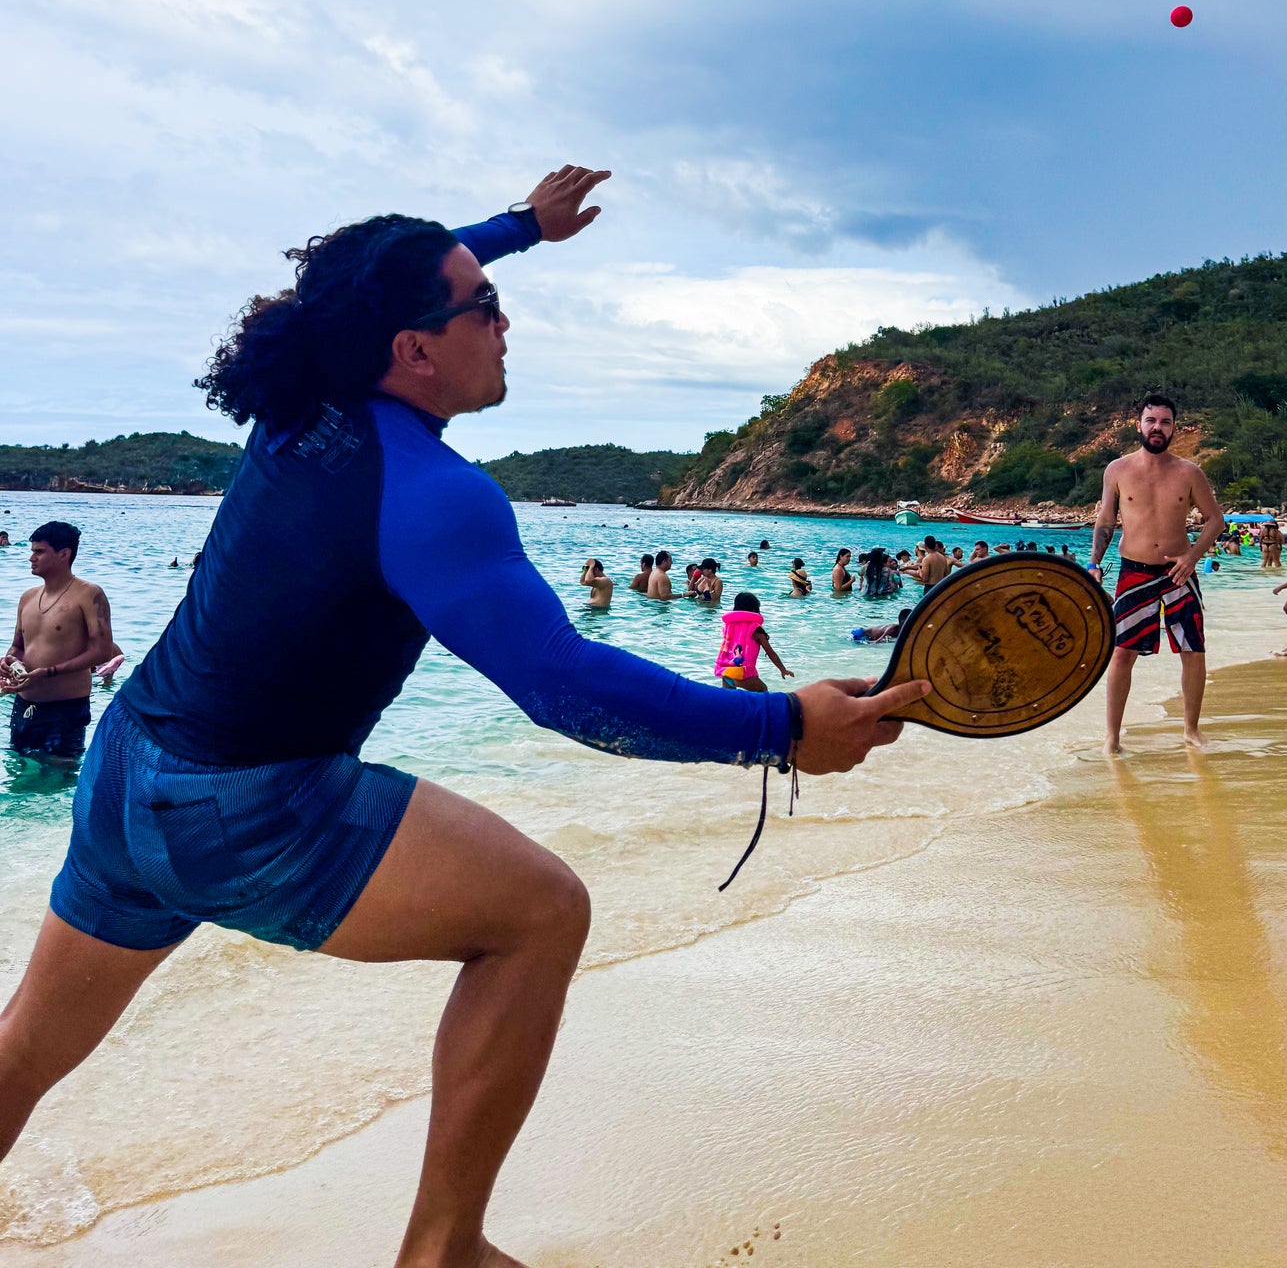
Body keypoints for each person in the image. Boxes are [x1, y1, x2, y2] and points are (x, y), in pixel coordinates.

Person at [0, 167, 927, 1268]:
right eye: (480, 304)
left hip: (125, 769)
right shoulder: (436, 495)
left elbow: (377, 277)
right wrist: (775, 727)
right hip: (248, 803)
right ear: (414, 349)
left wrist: (523, 231)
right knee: (538, 914)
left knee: (26, 1049)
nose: (503, 318)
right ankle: (443, 1248)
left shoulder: (303, 398)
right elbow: (559, 682)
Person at [1091, 394, 1225, 755]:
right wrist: (1093, 564)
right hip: (1133, 572)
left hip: (1178, 572)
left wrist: (1194, 556)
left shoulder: (1188, 472)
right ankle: (1113, 738)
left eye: (1165, 422)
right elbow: (1106, 521)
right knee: (1122, 653)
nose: (1157, 428)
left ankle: (1191, 730)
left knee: (1193, 650)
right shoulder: (1116, 470)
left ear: (1174, 428)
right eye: (1151, 421)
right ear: (1139, 425)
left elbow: (1216, 520)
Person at [2, 523, 116, 762]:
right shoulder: (28, 597)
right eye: (32, 551)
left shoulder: (89, 594)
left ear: (64, 554)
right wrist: (8, 661)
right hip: (24, 705)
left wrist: (49, 672)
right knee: (19, 775)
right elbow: (18, 645)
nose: (31, 558)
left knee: (58, 778)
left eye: (39, 552)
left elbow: (103, 650)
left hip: (65, 709)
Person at [713, 593, 795, 692]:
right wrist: (783, 669)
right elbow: (771, 653)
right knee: (762, 690)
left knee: (731, 703)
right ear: (754, 609)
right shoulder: (755, 629)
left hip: (726, 671)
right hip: (741, 673)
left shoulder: (729, 626)